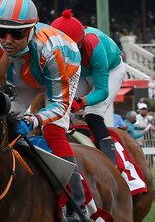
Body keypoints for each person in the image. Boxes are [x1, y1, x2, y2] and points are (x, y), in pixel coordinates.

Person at [0, 0, 90, 222]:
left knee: (52, 130)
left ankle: (78, 203)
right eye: (2, 31)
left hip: (63, 69)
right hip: (20, 75)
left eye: (16, 33)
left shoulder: (51, 51)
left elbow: (59, 105)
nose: (7, 40)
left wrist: (33, 120)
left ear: (31, 30)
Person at [51, 9, 125, 164]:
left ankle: (112, 165)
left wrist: (82, 101)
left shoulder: (95, 49)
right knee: (59, 108)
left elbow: (102, 91)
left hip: (111, 70)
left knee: (92, 114)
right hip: (82, 72)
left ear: (79, 44)